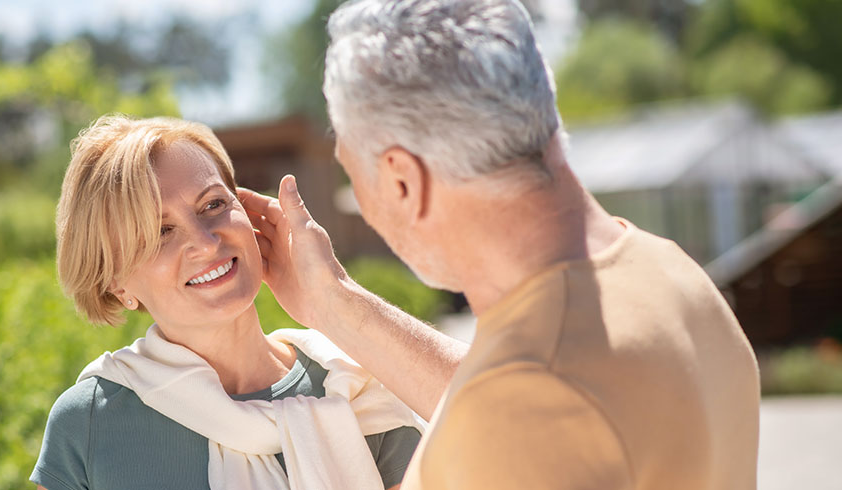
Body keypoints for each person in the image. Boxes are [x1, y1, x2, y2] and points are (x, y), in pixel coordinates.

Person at [238, 0, 761, 488]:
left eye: (355, 176)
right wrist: (332, 304)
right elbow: (512, 394)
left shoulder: (521, 406)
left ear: (402, 180)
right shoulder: (669, 275)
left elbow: (515, 410)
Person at [30, 115, 424, 490]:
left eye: (213, 205)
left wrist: (334, 299)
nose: (205, 243)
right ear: (117, 284)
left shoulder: (359, 391)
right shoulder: (88, 423)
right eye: (161, 231)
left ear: (248, 212)